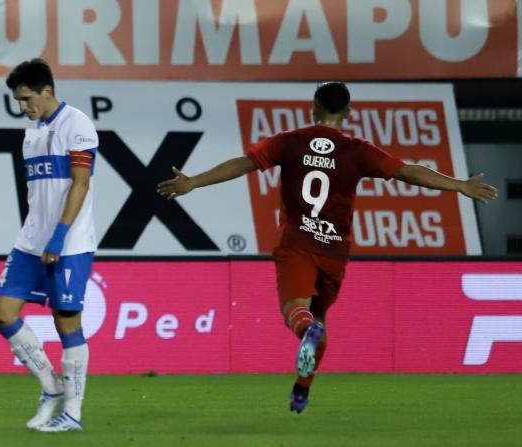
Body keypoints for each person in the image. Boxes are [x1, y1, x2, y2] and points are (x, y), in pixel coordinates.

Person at [157, 82, 498, 414]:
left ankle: (306, 335)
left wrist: (194, 181)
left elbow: (244, 163)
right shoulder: (358, 150)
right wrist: (459, 185)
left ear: (313, 108)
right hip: (335, 250)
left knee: (296, 311)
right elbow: (409, 172)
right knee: (318, 315)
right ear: (348, 112)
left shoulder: (289, 141)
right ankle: (302, 388)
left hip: (297, 242)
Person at [0, 58, 98, 432]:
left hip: (69, 242)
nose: (22, 106)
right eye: (18, 100)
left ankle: (73, 413)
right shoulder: (32, 133)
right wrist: (40, 235)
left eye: (26, 98)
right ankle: (51, 387)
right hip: (31, 241)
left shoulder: (77, 124)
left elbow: (80, 184)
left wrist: (59, 235)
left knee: (66, 321)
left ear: (47, 90)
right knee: (2, 312)